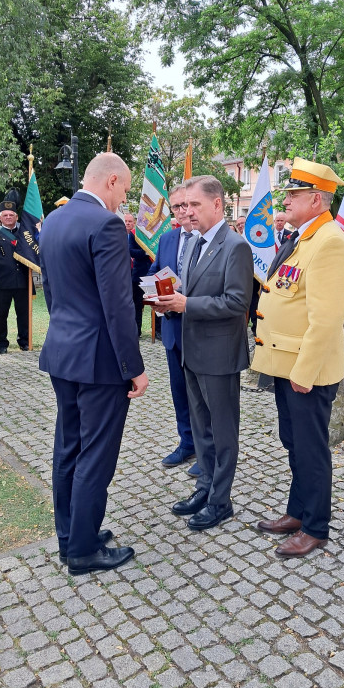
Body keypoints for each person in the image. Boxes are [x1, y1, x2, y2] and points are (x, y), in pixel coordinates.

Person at [39, 152, 148, 575]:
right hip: (100, 361)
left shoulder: (56, 220)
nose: (124, 197)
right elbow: (118, 305)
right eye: (124, 188)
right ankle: (83, 551)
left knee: (68, 447)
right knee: (96, 455)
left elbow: (52, 290)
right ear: (111, 181)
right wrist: (133, 367)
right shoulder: (105, 224)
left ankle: (71, 536)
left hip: (63, 352)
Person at [252, 158, 344, 557]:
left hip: (304, 370)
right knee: (294, 442)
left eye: (294, 194)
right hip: (286, 364)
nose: (286, 200)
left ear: (316, 199)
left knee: (311, 449)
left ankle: (315, 527)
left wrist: (305, 372)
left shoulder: (329, 241)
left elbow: (326, 319)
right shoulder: (302, 236)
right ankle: (297, 512)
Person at [154, 175, 253, 531]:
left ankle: (221, 501)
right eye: (185, 205)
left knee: (223, 431)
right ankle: (205, 487)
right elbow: (192, 292)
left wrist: (186, 303)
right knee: (201, 427)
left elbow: (237, 301)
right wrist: (170, 302)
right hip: (192, 352)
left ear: (217, 204)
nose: (188, 212)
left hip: (220, 354)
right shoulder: (195, 242)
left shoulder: (235, 245)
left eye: (195, 205)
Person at [149, 184, 199, 473]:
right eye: (177, 207)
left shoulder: (210, 240)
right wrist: (156, 299)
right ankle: (187, 443)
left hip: (201, 331)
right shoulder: (167, 239)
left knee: (203, 396)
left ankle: (208, 451)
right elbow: (158, 272)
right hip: (172, 329)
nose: (183, 212)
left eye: (187, 205)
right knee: (179, 392)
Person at [0, 199, 31, 354]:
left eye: (11, 215)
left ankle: (24, 340)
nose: (9, 217)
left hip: (22, 281)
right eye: (5, 215)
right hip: (2, 283)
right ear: (0, 217)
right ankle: (1, 343)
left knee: (23, 314)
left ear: (16, 217)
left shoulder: (24, 234)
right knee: (1, 315)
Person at [125, 212, 152, 336]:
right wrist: (146, 252)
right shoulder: (134, 235)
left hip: (152, 273)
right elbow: (131, 251)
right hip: (138, 275)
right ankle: (137, 331)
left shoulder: (152, 235)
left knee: (157, 302)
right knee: (137, 304)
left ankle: (157, 331)